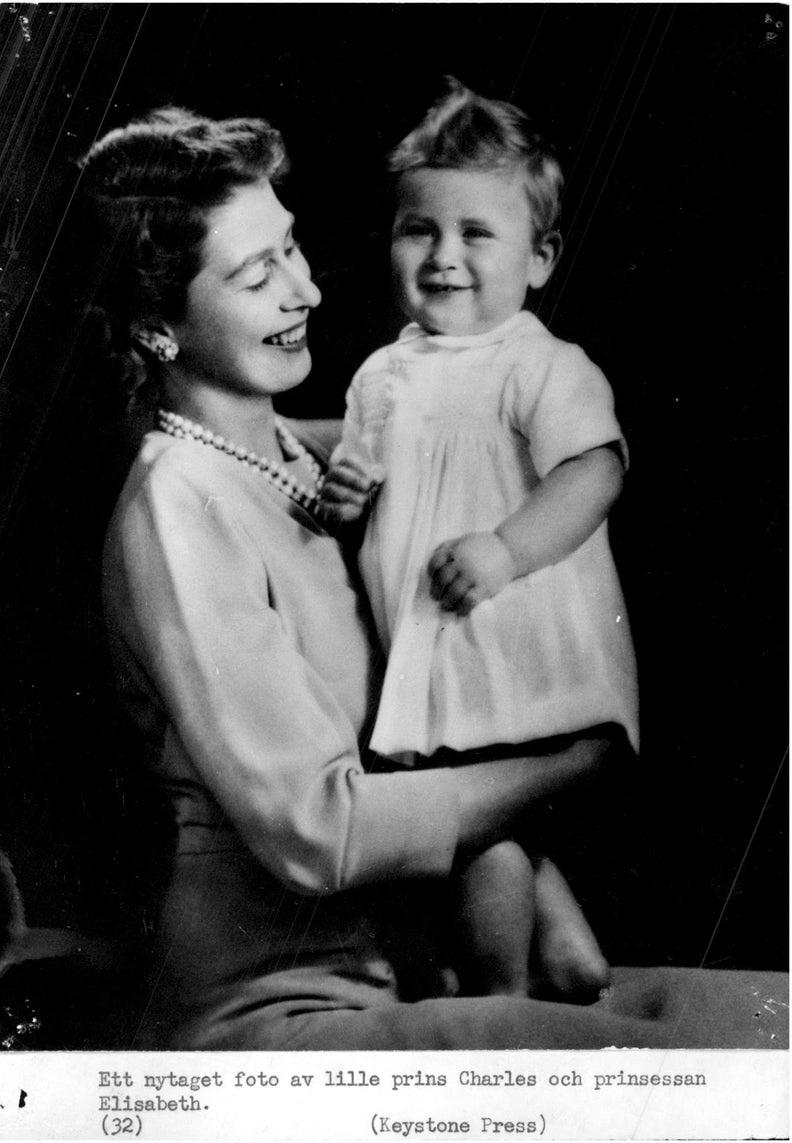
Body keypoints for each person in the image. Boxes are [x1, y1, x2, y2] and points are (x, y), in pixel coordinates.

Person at [82, 106, 785, 1050]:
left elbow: (512, 451)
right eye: (258, 275)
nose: (308, 293)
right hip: (275, 1004)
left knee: (756, 1021)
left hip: (409, 965)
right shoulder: (178, 508)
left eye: (293, 251)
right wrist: (565, 769)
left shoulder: (300, 450)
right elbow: (317, 832)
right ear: (156, 326)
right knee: (727, 1059)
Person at [322, 79, 636, 1000]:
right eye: (419, 229)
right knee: (497, 814)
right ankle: (570, 957)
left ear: (540, 259)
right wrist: (347, 491)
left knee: (477, 827)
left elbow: (595, 470)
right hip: (437, 655)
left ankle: (499, 997)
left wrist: (505, 548)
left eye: (476, 233)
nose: (444, 255)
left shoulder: (538, 363)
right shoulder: (382, 372)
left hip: (509, 646)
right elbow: (364, 478)